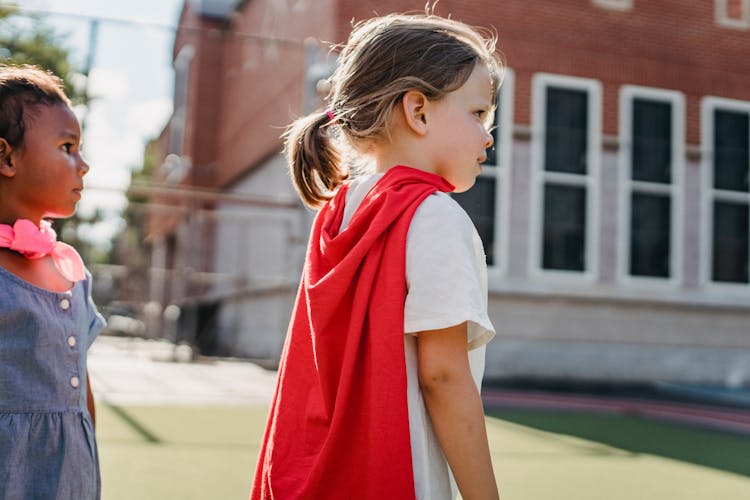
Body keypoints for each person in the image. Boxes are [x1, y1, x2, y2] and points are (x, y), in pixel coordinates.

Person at [251, 12, 502, 500]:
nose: (488, 136)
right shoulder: (434, 217)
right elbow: (444, 376)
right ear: (419, 111)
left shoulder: (338, 210)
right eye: (478, 114)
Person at [0, 65, 105, 500]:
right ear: (6, 157)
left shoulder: (70, 268)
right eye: (67, 147)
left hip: (70, 479)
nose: (83, 164)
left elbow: (80, 384)